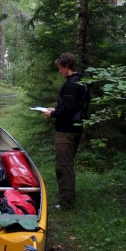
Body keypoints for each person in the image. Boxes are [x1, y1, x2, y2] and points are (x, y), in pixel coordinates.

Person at [44, 52, 89, 209]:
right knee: (65, 164)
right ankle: (66, 199)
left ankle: (66, 203)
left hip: (67, 130)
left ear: (67, 66)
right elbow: (74, 107)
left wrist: (53, 113)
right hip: (75, 128)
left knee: (63, 166)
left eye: (60, 68)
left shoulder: (72, 84)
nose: (59, 71)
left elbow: (69, 111)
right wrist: (56, 108)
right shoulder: (82, 82)